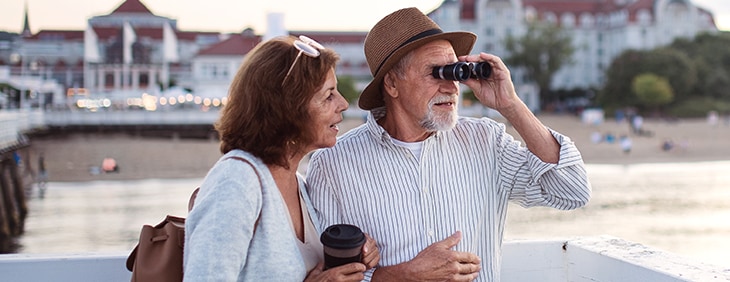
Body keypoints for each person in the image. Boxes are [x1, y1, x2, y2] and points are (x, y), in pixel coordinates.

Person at [306, 7, 591, 281]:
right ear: (392, 84)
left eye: (456, 71)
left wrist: (510, 105)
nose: (452, 86)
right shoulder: (333, 164)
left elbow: (572, 191)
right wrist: (401, 276)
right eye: (437, 73)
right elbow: (331, 275)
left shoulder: (485, 142)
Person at [184, 35, 379, 281]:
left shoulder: (296, 183)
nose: (342, 103)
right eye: (329, 95)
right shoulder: (235, 183)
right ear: (288, 108)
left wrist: (356, 253)